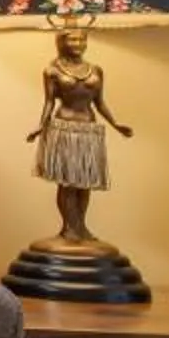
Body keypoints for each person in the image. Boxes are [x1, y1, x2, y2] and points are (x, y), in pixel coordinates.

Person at [25, 23, 127, 246]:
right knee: (68, 182)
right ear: (62, 42)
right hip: (65, 128)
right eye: (72, 40)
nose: (78, 44)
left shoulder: (96, 70)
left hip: (89, 130)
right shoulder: (52, 71)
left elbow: (100, 102)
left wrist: (116, 124)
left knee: (85, 181)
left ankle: (81, 225)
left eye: (82, 40)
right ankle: (69, 227)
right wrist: (40, 126)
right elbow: (49, 102)